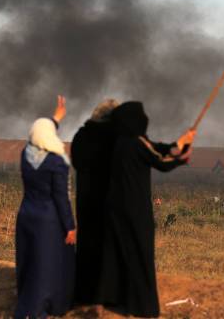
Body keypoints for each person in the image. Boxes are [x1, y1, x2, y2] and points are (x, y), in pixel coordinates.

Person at [96, 101, 195, 318]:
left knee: (120, 253)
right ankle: (143, 306)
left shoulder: (119, 142)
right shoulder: (135, 143)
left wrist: (180, 142)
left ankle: (117, 299)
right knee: (140, 253)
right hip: (135, 210)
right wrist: (182, 157)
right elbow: (160, 161)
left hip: (115, 209)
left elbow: (156, 147)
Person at [15, 96, 76, 318]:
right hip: (49, 221)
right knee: (48, 267)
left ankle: (27, 305)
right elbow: (61, 197)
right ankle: (43, 309)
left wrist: (56, 117)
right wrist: (69, 226)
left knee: (30, 262)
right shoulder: (56, 161)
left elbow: (41, 132)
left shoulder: (26, 154)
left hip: (26, 216)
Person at [71, 98, 119, 305]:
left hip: (85, 198)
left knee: (87, 245)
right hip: (106, 199)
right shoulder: (113, 139)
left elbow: (76, 162)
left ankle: (83, 292)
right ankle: (105, 294)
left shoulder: (81, 135)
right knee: (106, 246)